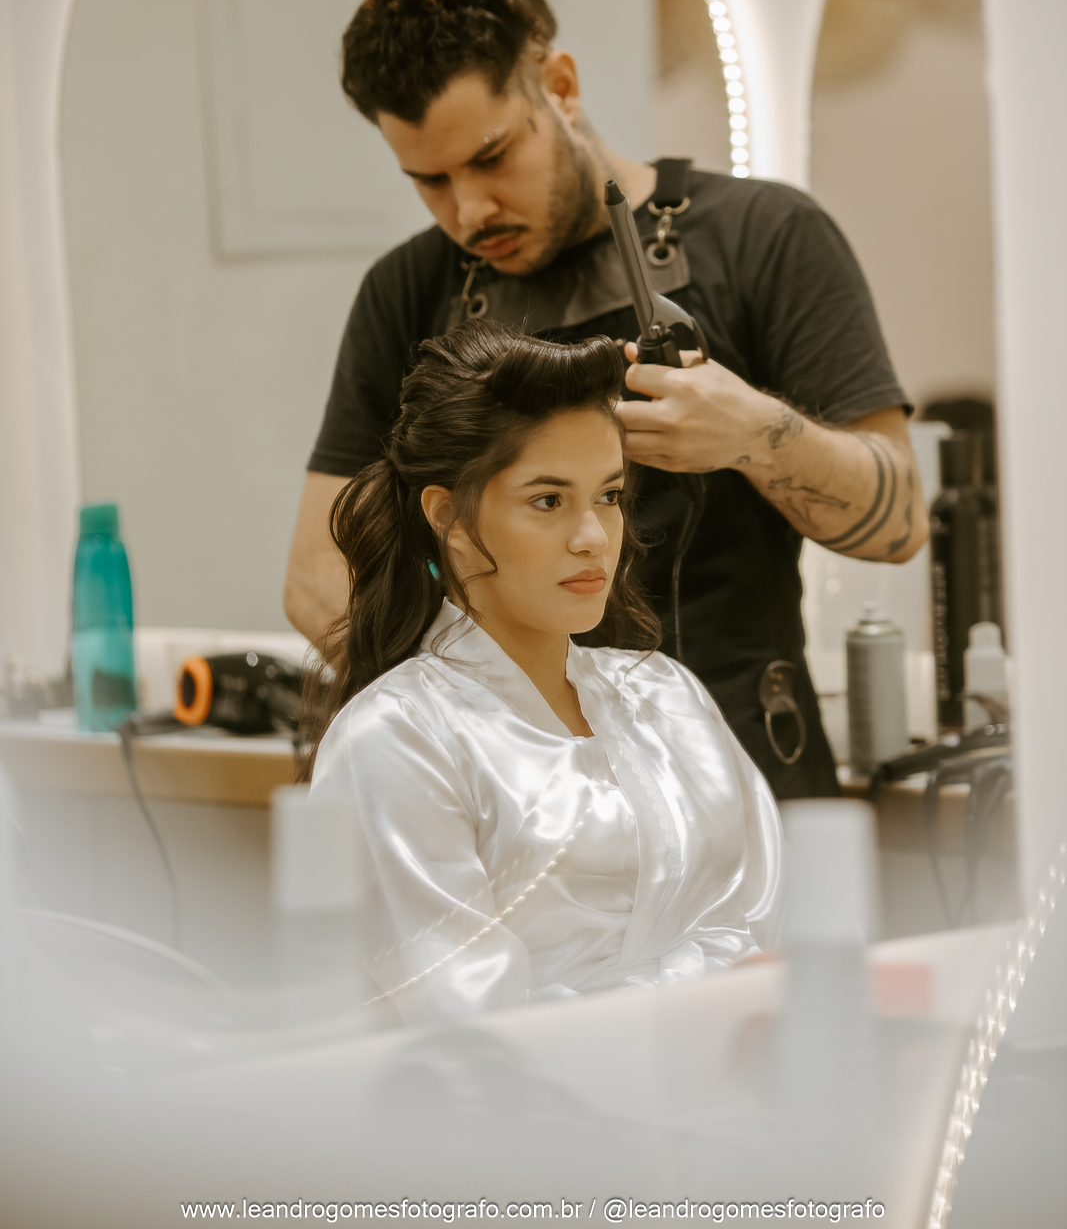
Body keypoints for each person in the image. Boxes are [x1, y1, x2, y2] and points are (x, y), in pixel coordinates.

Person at [286, 0, 928, 800]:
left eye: (491, 157)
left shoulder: (765, 238)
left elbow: (898, 522)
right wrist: (497, 717)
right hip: (522, 800)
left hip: (744, 776)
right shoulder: (405, 291)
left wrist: (754, 436)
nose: (469, 211)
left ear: (559, 86)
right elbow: (317, 578)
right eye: (429, 181)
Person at [305, 321, 783, 1022]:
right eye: (548, 501)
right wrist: (711, 1005)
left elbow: (771, 928)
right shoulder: (394, 739)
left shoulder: (667, 695)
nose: (593, 537)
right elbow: (471, 1025)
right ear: (450, 519)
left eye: (609, 496)